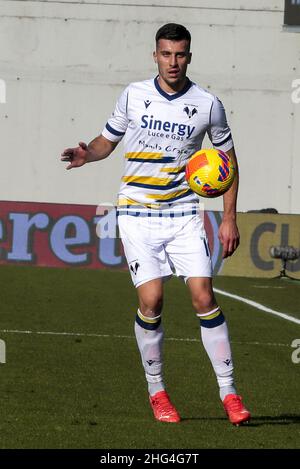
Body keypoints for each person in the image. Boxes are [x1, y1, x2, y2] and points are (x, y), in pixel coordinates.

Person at [61, 23, 251, 426]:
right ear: (155, 55)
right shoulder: (134, 95)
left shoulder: (207, 104)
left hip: (183, 214)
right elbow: (106, 141)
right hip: (136, 212)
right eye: (166, 54)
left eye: (180, 54)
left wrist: (229, 218)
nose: (173, 62)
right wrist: (86, 153)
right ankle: (157, 391)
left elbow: (228, 163)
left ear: (189, 56)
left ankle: (230, 392)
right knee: (152, 302)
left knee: (203, 296)